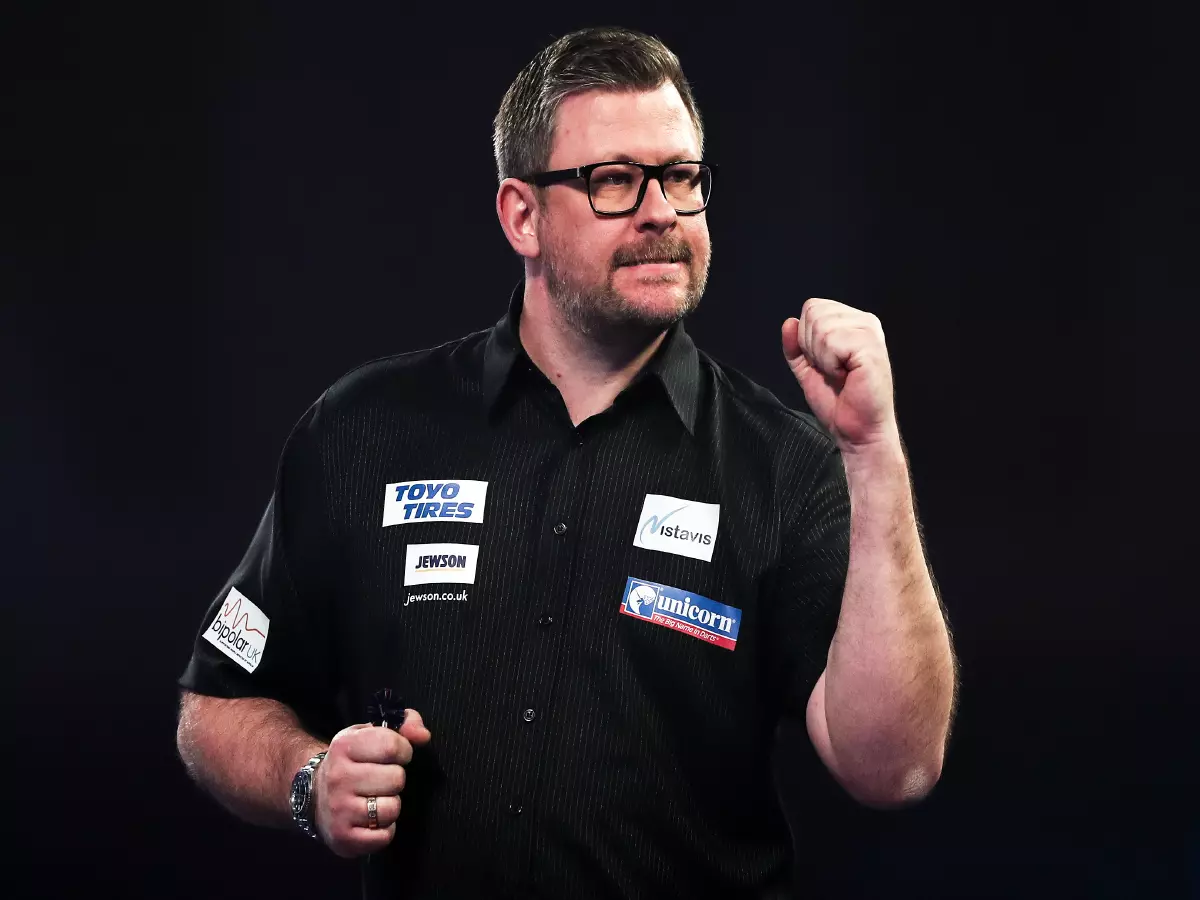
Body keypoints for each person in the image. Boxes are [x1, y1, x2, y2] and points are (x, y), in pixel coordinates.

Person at [176, 25, 957, 900]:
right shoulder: (363, 432)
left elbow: (892, 768)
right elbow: (217, 705)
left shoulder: (788, 464)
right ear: (522, 215)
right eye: (615, 181)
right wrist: (307, 779)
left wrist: (873, 451)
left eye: (682, 178)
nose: (661, 209)